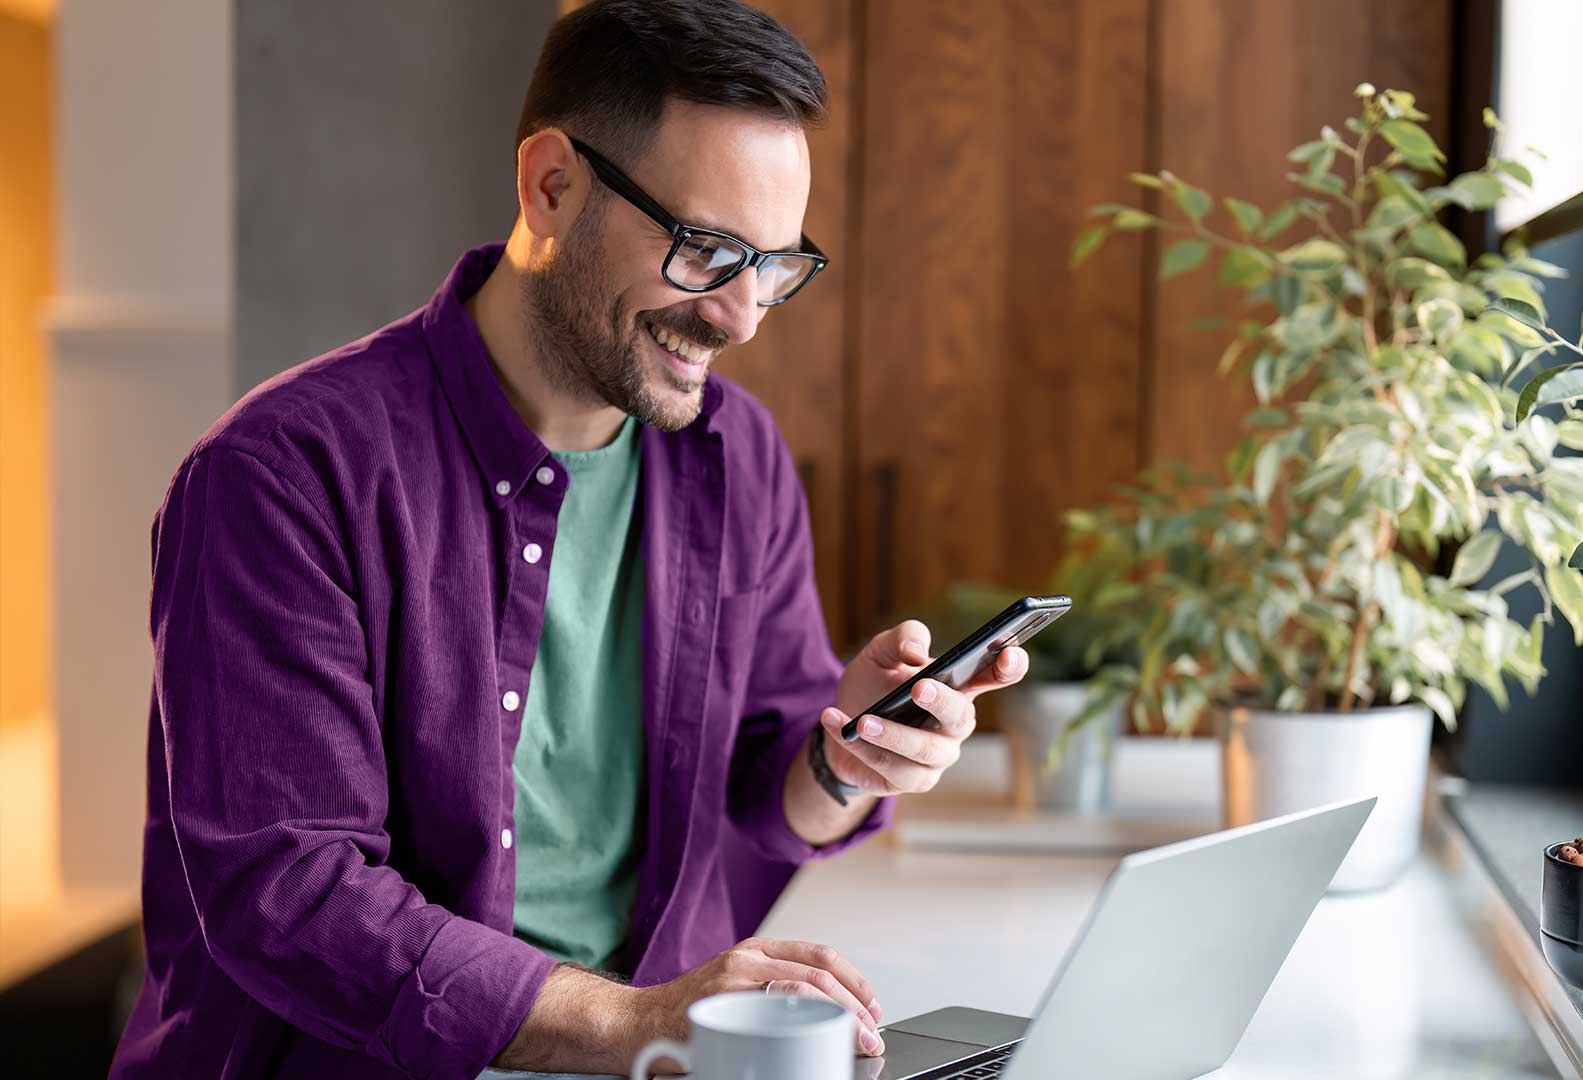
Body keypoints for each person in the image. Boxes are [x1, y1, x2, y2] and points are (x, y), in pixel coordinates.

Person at [106, 2, 1027, 1076]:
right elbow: (291, 897)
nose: (741, 318)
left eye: (775, 266)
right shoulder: (281, 478)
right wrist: (640, 1020)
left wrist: (848, 757)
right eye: (706, 251)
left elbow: (759, 793)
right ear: (551, 185)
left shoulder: (737, 455)